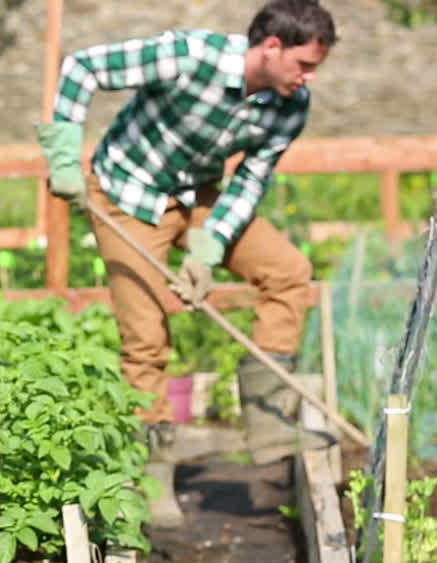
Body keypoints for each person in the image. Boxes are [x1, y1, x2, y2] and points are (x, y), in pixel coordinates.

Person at [37, 0, 336, 464]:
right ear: (272, 46)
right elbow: (82, 68)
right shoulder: (190, 55)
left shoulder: (291, 107)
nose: (309, 77)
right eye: (304, 64)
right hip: (128, 196)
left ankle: (269, 425)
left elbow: (251, 180)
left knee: (288, 272)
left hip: (198, 197)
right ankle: (152, 476)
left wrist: (207, 248)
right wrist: (63, 159)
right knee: (146, 336)